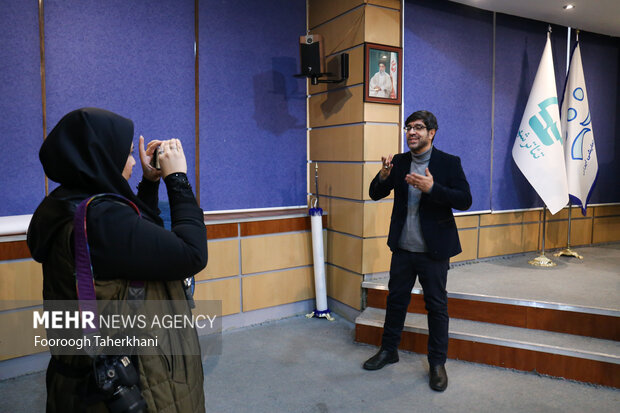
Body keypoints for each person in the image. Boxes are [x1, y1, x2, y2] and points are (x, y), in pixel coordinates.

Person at [27, 108, 208, 412]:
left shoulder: (69, 206)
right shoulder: (102, 219)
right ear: (101, 157)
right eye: (125, 154)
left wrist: (149, 183)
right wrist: (177, 180)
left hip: (87, 376)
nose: (134, 161)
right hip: (134, 381)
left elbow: (137, 241)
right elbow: (192, 253)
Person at [363, 110, 471, 392]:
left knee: (436, 306)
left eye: (418, 128)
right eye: (408, 127)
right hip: (402, 247)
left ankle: (437, 363)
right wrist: (384, 175)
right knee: (396, 301)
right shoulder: (398, 162)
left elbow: (465, 200)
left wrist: (433, 188)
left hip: (433, 251)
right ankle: (389, 350)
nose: (411, 132)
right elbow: (375, 193)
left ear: (432, 132)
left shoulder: (448, 163)